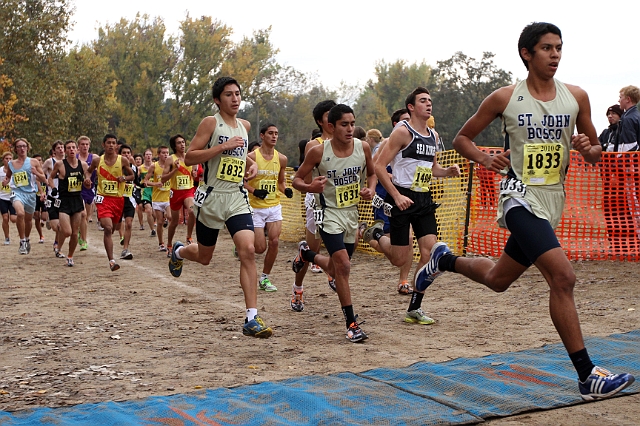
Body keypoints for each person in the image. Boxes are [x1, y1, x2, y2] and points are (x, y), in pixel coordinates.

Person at [418, 22, 634, 400]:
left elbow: (597, 154)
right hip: (518, 196)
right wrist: (486, 158)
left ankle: (443, 259)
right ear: (527, 54)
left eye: (559, 48)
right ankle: (588, 376)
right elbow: (461, 139)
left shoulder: (576, 97)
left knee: (499, 279)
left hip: (552, 199)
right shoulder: (504, 97)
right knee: (563, 278)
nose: (555, 55)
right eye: (547, 48)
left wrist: (587, 148)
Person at [167, 76, 273, 338]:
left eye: (237, 94)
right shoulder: (210, 123)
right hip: (212, 198)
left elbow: (242, 153)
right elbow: (190, 156)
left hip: (236, 197)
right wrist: (222, 146)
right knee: (205, 258)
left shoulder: (245, 125)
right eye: (228, 95)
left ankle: (251, 317)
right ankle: (179, 252)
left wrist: (252, 164)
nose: (235, 99)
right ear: (217, 99)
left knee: (248, 249)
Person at [364, 87, 460, 325]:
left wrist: (447, 172)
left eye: (430, 101)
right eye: (423, 101)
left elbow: (433, 168)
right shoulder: (402, 133)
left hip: (423, 198)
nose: (429, 104)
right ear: (411, 107)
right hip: (402, 197)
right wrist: (396, 196)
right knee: (399, 259)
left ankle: (414, 307)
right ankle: (375, 234)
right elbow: (379, 166)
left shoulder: (434, 136)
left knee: (429, 252)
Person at [291, 104, 377, 342]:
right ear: (331, 126)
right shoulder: (318, 152)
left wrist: (370, 188)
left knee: (336, 267)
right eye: (344, 124)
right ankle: (351, 324)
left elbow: (372, 173)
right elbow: (296, 179)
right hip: (327, 214)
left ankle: (306, 255)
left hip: (351, 213)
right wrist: (310, 187)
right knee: (343, 266)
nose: (350, 129)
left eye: (352, 123)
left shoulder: (363, 148)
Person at [290, 100, 338, 311]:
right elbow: (305, 181)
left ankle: (333, 271)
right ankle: (297, 289)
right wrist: (315, 187)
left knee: (347, 245)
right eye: (329, 115)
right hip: (318, 203)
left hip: (341, 203)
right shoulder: (314, 145)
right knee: (314, 250)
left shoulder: (347, 142)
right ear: (320, 121)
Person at [370, 109, 417, 295]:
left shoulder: (415, 141)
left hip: (408, 198)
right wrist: (390, 176)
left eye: (409, 119)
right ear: (395, 124)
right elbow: (373, 167)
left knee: (409, 240)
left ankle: (403, 280)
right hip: (386, 198)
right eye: (404, 120)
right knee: (394, 250)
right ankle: (373, 235)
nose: (408, 123)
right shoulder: (388, 143)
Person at [245, 123, 293, 293]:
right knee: (260, 248)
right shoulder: (251, 156)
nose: (274, 136)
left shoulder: (282, 159)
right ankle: (242, 242)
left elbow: (280, 182)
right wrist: (254, 190)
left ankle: (265, 277)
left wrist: (285, 190)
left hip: (274, 205)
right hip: (255, 207)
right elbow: (241, 181)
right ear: (262, 135)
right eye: (270, 133)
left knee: (274, 241)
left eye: (276, 133)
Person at [85, 134, 135, 271]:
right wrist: (87, 180)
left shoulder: (123, 160)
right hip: (103, 198)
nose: (111, 145)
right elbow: (88, 172)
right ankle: (112, 261)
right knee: (107, 228)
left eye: (114, 143)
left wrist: (124, 178)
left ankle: (110, 243)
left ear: (117, 146)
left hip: (118, 200)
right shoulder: (97, 161)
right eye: (108, 143)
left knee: (114, 228)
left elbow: (132, 176)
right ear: (103, 145)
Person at [2, 138, 46, 254]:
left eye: (24, 146)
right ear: (16, 149)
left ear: (27, 147)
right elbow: (8, 176)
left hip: (30, 194)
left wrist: (36, 173)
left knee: (28, 220)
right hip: (17, 192)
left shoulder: (34, 162)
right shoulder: (11, 164)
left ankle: (26, 238)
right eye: (19, 146)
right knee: (20, 213)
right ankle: (22, 241)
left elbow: (44, 179)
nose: (22, 148)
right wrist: (6, 181)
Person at [48, 140, 88, 267]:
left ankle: (70, 256)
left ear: (77, 150)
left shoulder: (83, 165)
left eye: (73, 147)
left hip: (76, 200)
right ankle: (58, 246)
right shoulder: (60, 164)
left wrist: (87, 183)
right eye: (69, 148)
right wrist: (53, 188)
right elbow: (50, 178)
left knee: (75, 233)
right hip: (64, 202)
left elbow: (87, 180)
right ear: (65, 151)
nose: (71, 150)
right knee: (67, 232)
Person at [162, 134, 197, 254]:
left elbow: (194, 175)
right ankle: (169, 244)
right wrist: (175, 170)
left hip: (188, 190)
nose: (182, 144)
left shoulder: (190, 157)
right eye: (179, 143)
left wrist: (194, 174)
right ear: (174, 146)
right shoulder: (170, 159)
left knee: (192, 211)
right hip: (176, 193)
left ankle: (189, 237)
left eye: (183, 142)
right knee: (174, 222)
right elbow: (163, 179)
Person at [144, 146, 171, 251]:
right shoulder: (154, 166)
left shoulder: (172, 166)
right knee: (159, 222)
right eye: (163, 153)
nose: (166, 155)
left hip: (168, 197)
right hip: (157, 198)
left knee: (170, 217)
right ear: (159, 154)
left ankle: (169, 240)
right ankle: (161, 243)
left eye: (167, 153)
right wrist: (156, 183)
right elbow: (145, 182)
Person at [42, 141, 65, 258]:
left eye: (62, 147)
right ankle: (50, 220)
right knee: (57, 227)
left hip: (65, 197)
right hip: (52, 196)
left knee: (61, 227)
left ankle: (57, 245)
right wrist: (46, 185)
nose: (61, 149)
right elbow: (40, 175)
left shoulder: (69, 162)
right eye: (58, 148)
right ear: (54, 151)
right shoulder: (49, 162)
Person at [116, 144, 137, 260]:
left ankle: (125, 249)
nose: (126, 155)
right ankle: (119, 232)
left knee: (129, 224)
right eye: (124, 153)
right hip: (117, 198)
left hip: (129, 199)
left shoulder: (134, 168)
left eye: (128, 153)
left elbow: (137, 182)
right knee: (116, 225)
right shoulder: (115, 166)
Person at [76, 136, 94, 248]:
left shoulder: (94, 158)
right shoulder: (75, 158)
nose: (85, 146)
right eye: (82, 144)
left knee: (86, 217)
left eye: (87, 144)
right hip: (77, 190)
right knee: (82, 214)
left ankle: (81, 232)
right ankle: (84, 241)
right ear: (78, 146)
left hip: (89, 189)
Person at [615, 86, 640, 152]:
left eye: (620, 97)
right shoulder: (637, 115)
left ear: (628, 99)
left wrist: (620, 160)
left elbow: (629, 146)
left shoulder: (628, 119)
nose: (619, 100)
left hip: (631, 161)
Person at [138, 148, 156, 235]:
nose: (148, 156)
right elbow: (136, 180)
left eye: (150, 154)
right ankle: (152, 230)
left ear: (152, 156)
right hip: (145, 192)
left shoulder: (156, 166)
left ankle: (158, 221)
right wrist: (140, 183)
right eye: (147, 154)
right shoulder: (140, 168)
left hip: (156, 191)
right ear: (144, 156)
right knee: (148, 210)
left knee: (155, 213)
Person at [0, 152, 17, 244]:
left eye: (10, 158)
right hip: (2, 198)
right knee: (5, 218)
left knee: (13, 219)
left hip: (13, 197)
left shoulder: (15, 171)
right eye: (6, 158)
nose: (8, 160)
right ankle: (7, 237)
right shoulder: (0, 171)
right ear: (3, 160)